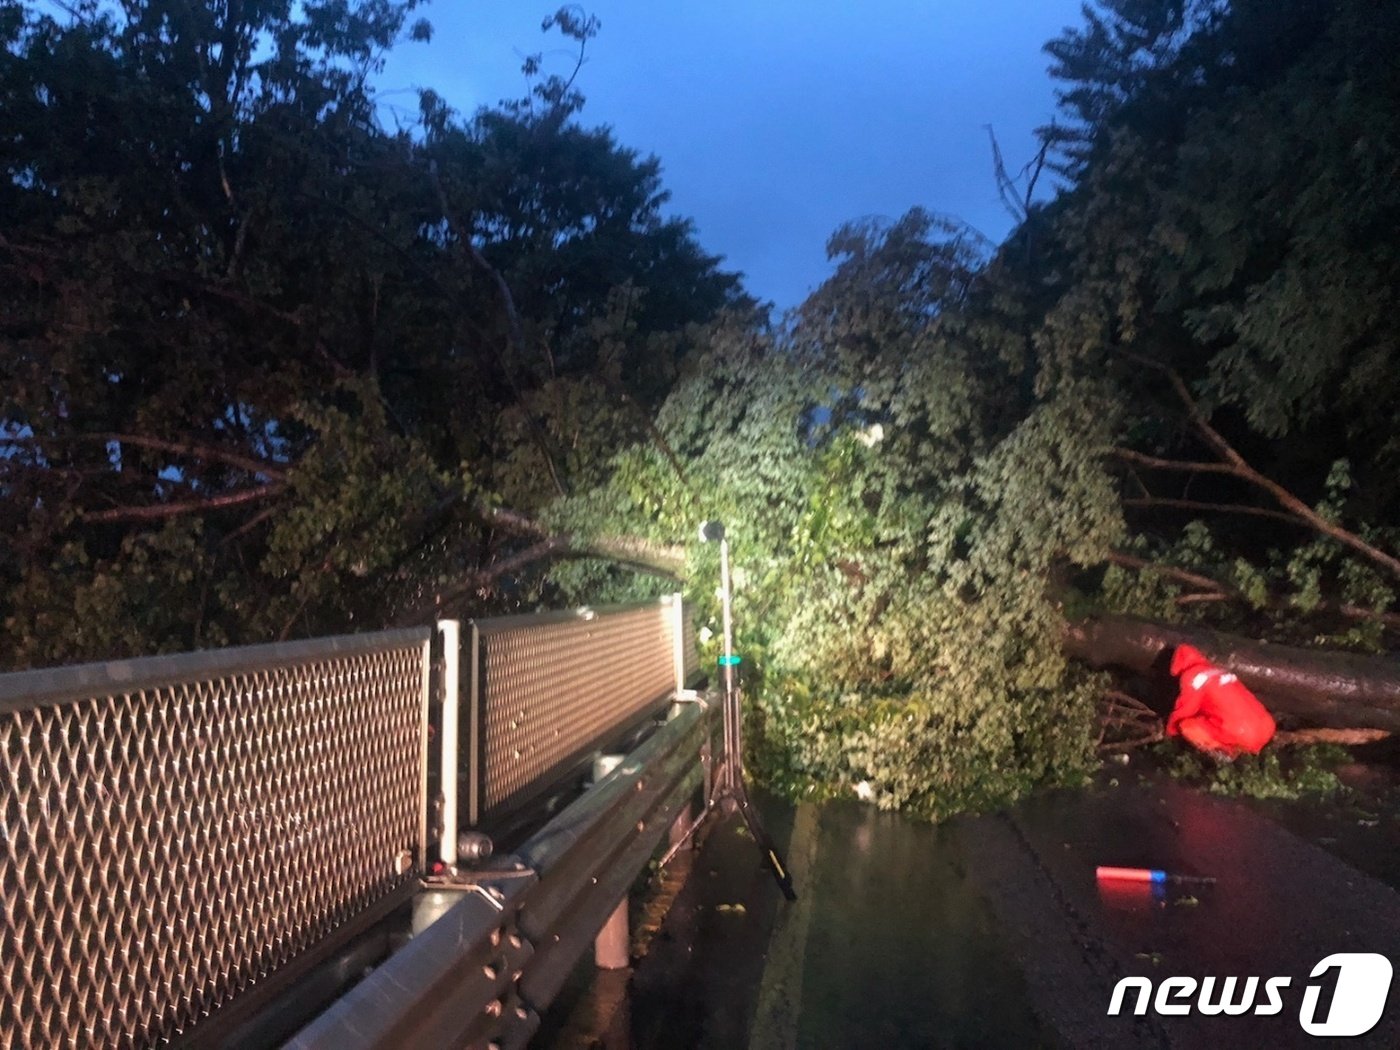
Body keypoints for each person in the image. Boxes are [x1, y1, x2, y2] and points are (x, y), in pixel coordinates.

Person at [1166, 644, 1276, 758]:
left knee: (1187, 727)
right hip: (1267, 727)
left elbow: (1186, 709)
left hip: (1240, 733)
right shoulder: (1218, 670)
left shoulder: (1193, 676)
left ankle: (1227, 753)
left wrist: (1171, 731)